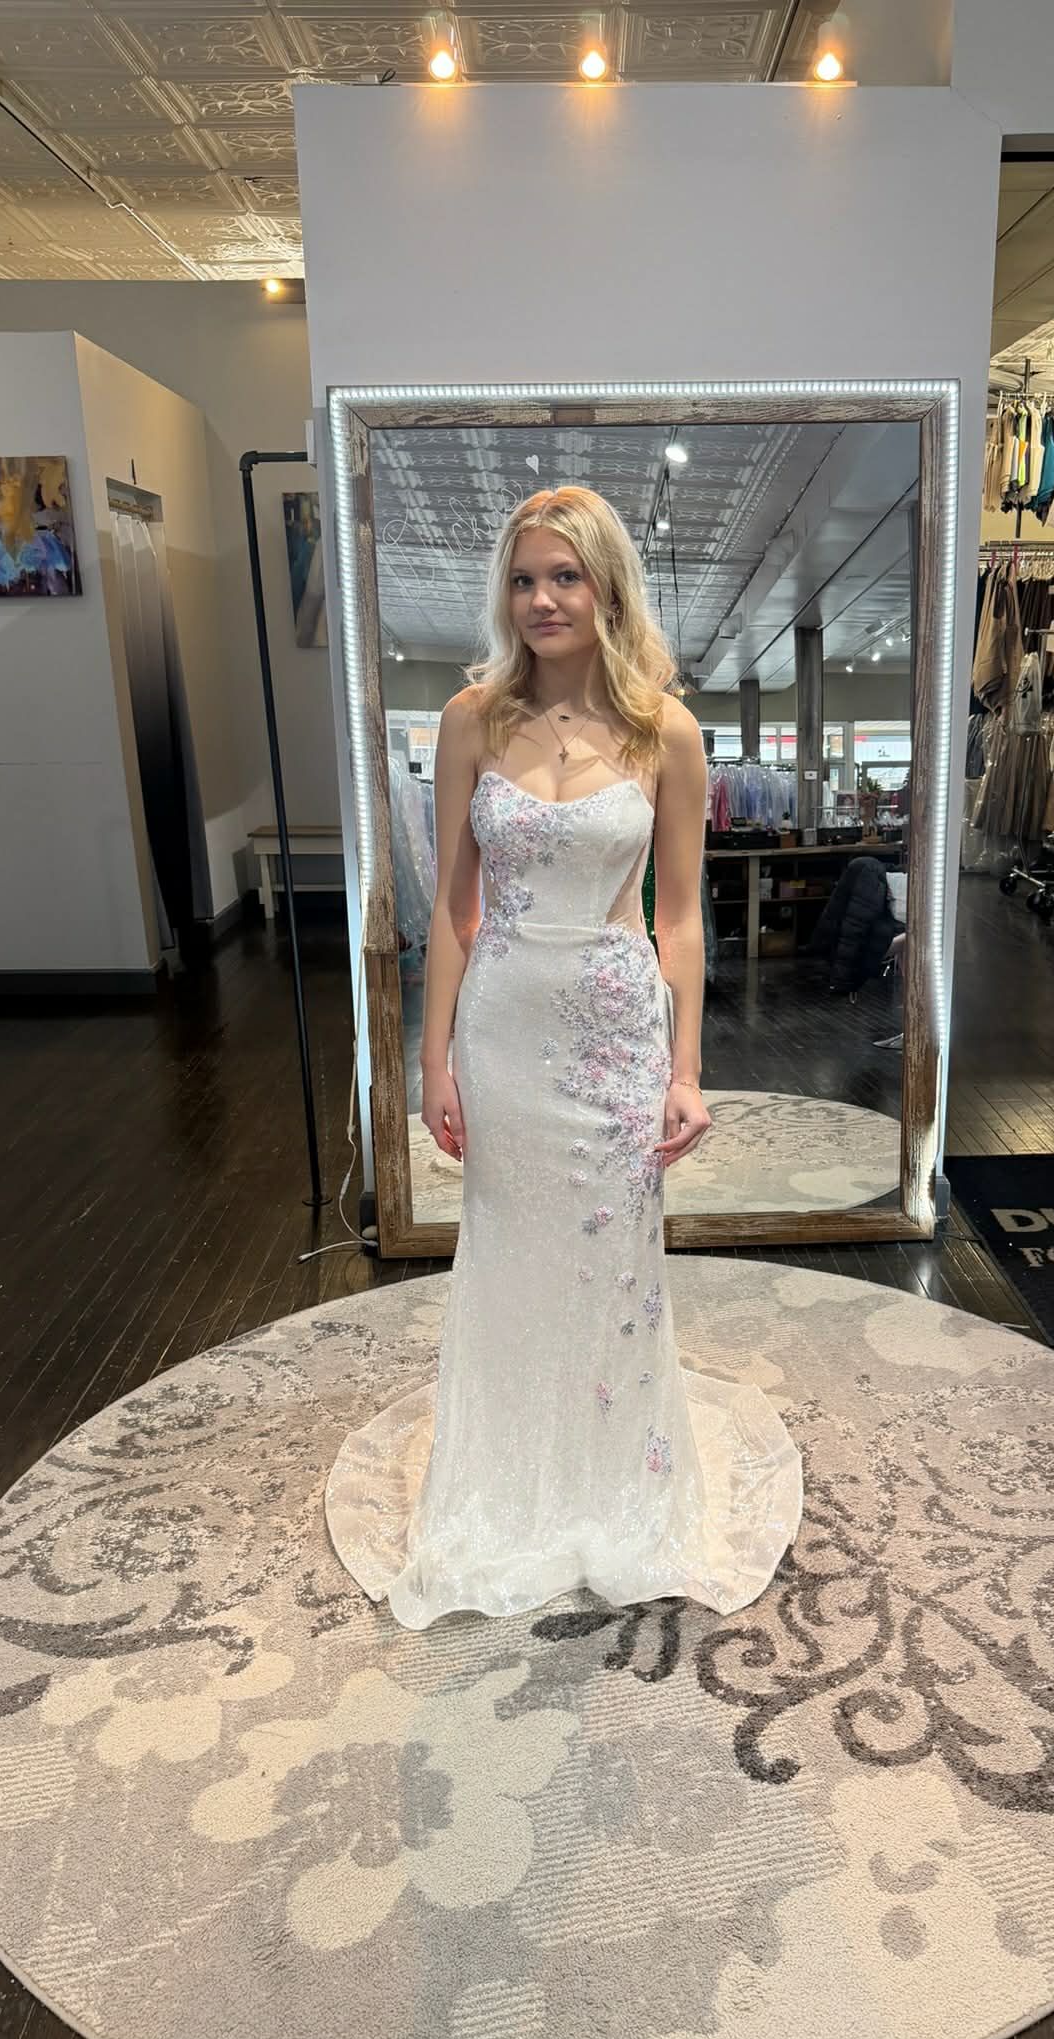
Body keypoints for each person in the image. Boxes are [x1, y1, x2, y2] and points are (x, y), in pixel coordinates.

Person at [325, 485, 803, 1629]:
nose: (541, 599)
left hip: (613, 1029)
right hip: (502, 1029)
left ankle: (612, 1486)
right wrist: (431, 1061)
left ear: (606, 587)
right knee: (507, 1254)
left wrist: (684, 1070)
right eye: (524, 579)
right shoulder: (471, 720)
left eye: (564, 576)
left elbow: (678, 919)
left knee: (612, 1263)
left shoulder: (664, 731)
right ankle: (506, 1484)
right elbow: (453, 911)